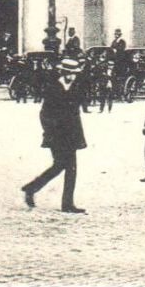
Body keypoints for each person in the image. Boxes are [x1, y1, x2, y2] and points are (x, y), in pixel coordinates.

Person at [21, 57, 88, 213]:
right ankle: (31, 188)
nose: (73, 76)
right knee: (60, 165)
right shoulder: (53, 88)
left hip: (72, 134)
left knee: (69, 168)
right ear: (63, 72)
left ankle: (67, 203)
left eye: (75, 73)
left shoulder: (76, 87)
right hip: (56, 135)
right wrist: (50, 131)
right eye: (70, 73)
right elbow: (44, 114)